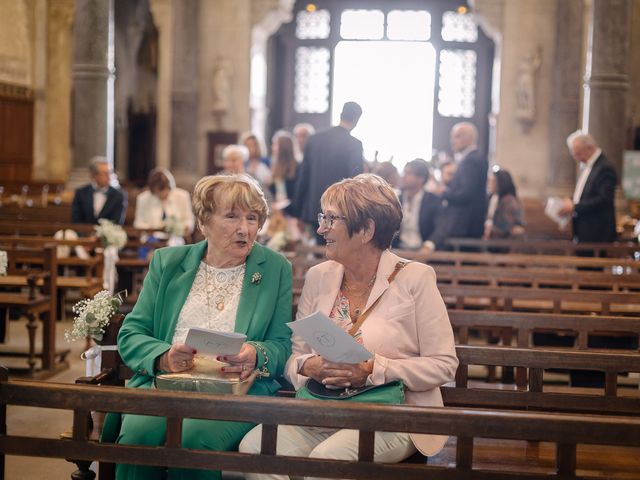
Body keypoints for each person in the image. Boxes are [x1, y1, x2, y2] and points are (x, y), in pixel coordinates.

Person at [240, 174, 458, 477]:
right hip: (323, 410)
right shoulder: (319, 276)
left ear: (366, 229)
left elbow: (444, 365)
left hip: (395, 415)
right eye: (322, 218)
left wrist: (372, 370)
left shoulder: (415, 279)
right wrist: (308, 367)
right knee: (255, 448)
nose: (320, 229)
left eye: (331, 219)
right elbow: (294, 357)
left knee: (327, 459)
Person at [102, 174, 293, 480]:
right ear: (204, 222)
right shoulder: (168, 262)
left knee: (194, 442)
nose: (244, 228)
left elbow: (283, 343)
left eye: (252, 218)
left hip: (236, 392)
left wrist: (254, 354)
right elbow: (131, 333)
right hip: (166, 385)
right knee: (139, 438)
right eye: (231, 216)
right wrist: (164, 356)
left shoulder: (275, 268)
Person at [293, 101, 364, 243]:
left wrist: (298, 211)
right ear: (357, 120)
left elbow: (303, 177)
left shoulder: (315, 139)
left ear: (340, 115)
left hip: (314, 209)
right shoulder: (354, 144)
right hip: (340, 211)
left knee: (320, 251)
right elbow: (355, 181)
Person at [427, 122, 488, 250]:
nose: (452, 140)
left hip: (466, 225)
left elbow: (466, 194)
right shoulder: (474, 158)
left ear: (469, 138)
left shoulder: (471, 160)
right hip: (468, 224)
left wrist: (442, 192)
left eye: (457, 136)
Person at [558, 131, 617, 243]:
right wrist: (571, 201)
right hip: (584, 231)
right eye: (575, 155)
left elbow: (604, 199)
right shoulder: (590, 166)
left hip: (597, 234)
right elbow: (587, 194)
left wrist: (574, 207)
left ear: (590, 148)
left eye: (579, 154)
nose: (577, 159)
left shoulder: (605, 168)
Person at [393, 159, 442, 252]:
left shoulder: (433, 200)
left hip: (424, 252)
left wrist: (429, 245)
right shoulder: (396, 199)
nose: (403, 176)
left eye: (408, 173)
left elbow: (441, 228)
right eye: (404, 172)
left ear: (421, 179)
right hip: (398, 250)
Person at [133, 167, 195, 236]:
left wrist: (184, 226)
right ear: (153, 190)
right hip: (151, 239)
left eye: (166, 190)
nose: (163, 194)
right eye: (159, 191)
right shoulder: (143, 198)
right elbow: (138, 223)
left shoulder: (182, 196)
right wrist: (154, 230)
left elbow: (189, 219)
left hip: (175, 237)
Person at [71, 156, 127, 225]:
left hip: (107, 234)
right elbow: (76, 221)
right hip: (84, 235)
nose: (109, 177)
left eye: (110, 173)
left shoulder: (119, 195)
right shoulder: (81, 193)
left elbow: (116, 223)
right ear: (93, 175)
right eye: (105, 173)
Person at [483, 168, 525, 239]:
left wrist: (489, 227)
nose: (488, 184)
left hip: (504, 242)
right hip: (493, 238)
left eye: (492, 181)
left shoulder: (509, 201)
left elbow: (505, 227)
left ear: (500, 183)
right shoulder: (493, 197)